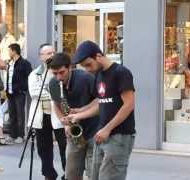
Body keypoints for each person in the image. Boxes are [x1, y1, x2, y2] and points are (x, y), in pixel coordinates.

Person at [67, 40, 136, 180]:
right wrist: (80, 113)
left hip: (119, 136)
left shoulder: (121, 73)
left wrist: (107, 129)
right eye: (84, 67)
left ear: (98, 56)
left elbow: (129, 105)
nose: (87, 69)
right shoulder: (99, 75)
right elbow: (102, 103)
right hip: (102, 135)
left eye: (88, 65)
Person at [48, 53, 99, 180]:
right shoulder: (53, 83)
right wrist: (64, 123)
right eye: (55, 73)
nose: (58, 77)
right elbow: (56, 104)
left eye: (62, 72)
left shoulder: (87, 78)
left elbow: (101, 100)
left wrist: (81, 112)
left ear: (70, 67)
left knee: (94, 174)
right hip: (75, 132)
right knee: (71, 173)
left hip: (95, 128)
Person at [27, 44, 66, 180]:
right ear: (41, 57)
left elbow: (63, 93)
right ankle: (49, 174)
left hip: (59, 115)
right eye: (48, 53)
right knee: (44, 149)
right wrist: (53, 93)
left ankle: (68, 173)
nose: (51, 55)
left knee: (64, 146)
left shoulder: (60, 72)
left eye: (53, 52)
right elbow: (34, 93)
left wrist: (48, 92)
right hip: (41, 116)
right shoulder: (34, 74)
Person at [6, 43, 32, 143]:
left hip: (19, 92)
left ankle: (20, 136)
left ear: (14, 51)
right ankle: (12, 134)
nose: (8, 53)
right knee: (12, 114)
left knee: (20, 114)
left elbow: (29, 77)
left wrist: (23, 88)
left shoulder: (24, 63)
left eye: (9, 50)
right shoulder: (10, 63)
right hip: (10, 92)